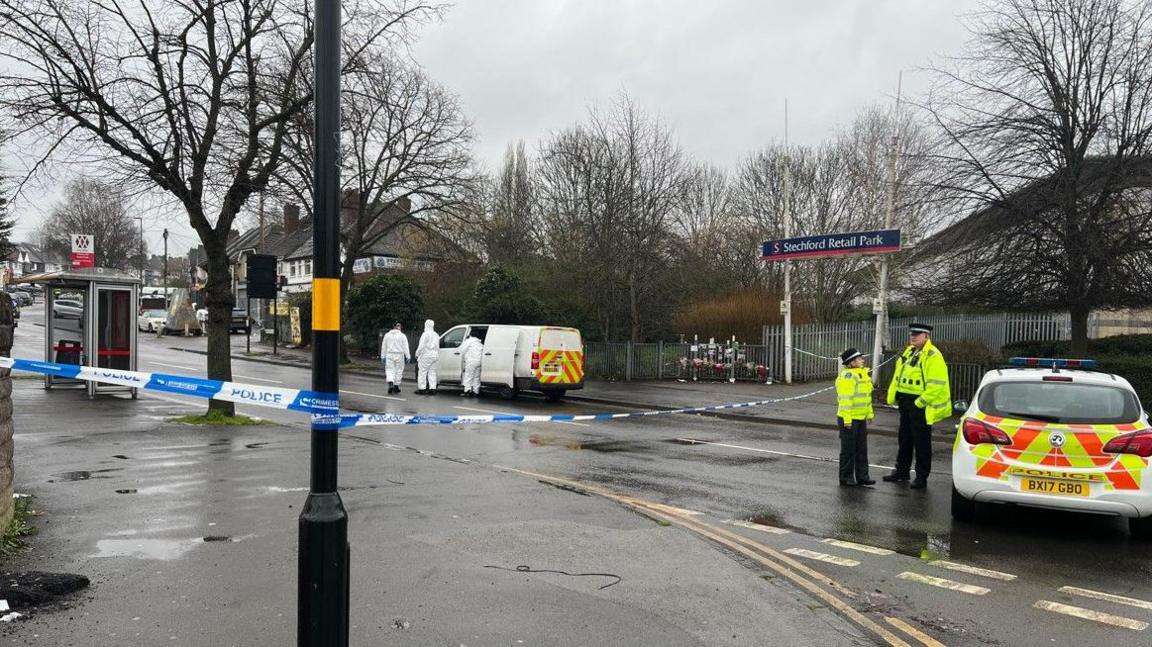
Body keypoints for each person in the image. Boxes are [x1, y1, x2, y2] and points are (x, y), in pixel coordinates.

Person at [883, 323, 951, 489]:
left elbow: (937, 384)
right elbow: (898, 376)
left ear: (926, 336)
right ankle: (902, 471)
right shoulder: (909, 352)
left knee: (921, 442)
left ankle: (921, 477)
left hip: (921, 405)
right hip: (905, 403)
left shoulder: (933, 355)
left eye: (917, 334)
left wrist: (919, 403)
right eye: (912, 334)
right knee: (904, 439)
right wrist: (896, 397)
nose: (913, 337)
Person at [836, 348, 875, 487]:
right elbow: (846, 399)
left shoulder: (862, 374)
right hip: (849, 419)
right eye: (859, 359)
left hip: (860, 417)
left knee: (861, 448)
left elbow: (866, 397)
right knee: (848, 450)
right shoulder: (848, 377)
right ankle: (846, 477)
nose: (862, 360)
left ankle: (862, 476)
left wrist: (869, 414)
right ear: (852, 362)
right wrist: (847, 419)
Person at [380, 322, 411, 394]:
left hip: (389, 354)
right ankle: (396, 386)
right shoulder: (402, 336)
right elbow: (406, 347)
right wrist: (408, 356)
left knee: (390, 369)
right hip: (399, 355)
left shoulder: (387, 335)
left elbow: (384, 346)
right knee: (399, 370)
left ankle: (391, 383)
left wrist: (383, 356)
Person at [415, 319, 439, 395]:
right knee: (432, 372)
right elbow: (438, 346)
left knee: (422, 372)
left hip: (426, 355)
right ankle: (432, 389)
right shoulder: (436, 334)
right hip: (434, 355)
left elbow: (421, 346)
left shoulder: (425, 334)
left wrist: (417, 354)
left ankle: (422, 389)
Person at [458, 332, 484, 397]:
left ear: (470, 335)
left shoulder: (469, 341)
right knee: (476, 377)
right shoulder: (480, 343)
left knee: (468, 376)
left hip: (471, 361)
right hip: (479, 361)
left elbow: (462, 350)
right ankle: (476, 392)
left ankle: (467, 391)